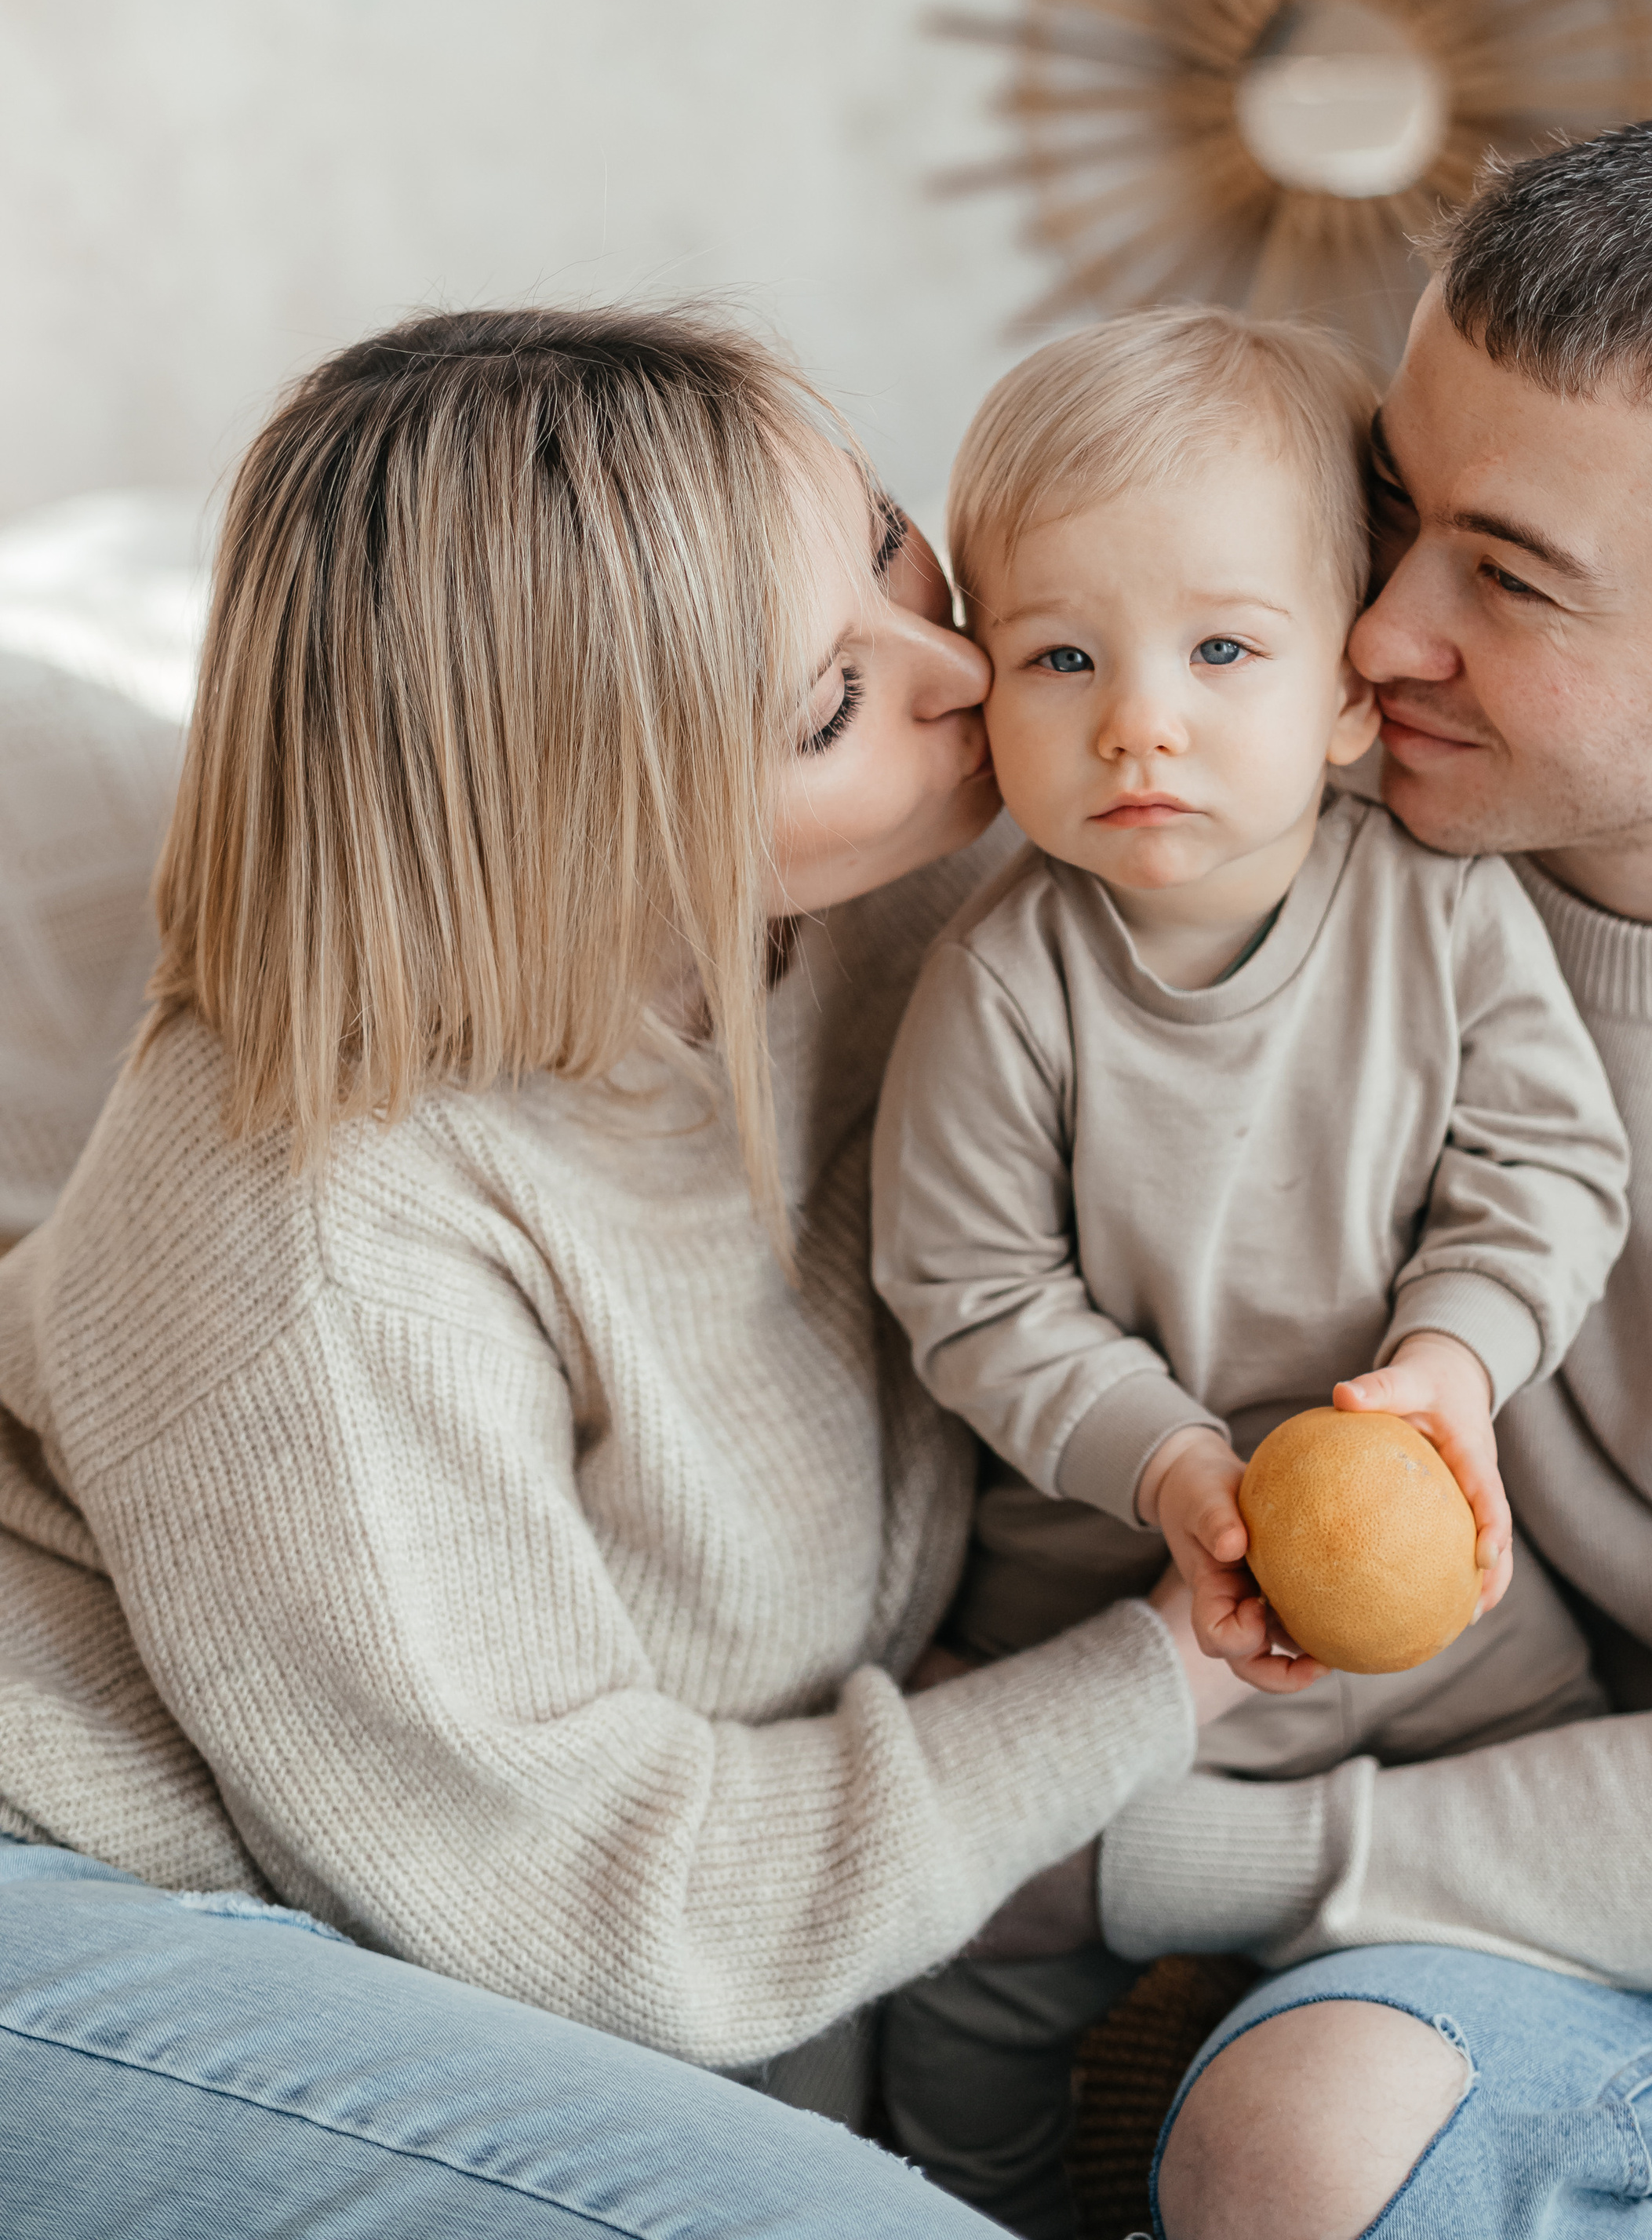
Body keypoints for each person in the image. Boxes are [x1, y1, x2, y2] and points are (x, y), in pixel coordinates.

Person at [0, 305, 1244, 2240]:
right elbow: (598, 1899)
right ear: (592, 824)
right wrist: (1160, 1673)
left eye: (892, 541)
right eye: (825, 704)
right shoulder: (316, 1233)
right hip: (59, 1873)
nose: (960, 667)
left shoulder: (902, 894)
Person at [1110, 108, 1652, 2238]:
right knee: (1294, 2142)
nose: (1386, 630)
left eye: (1504, 575)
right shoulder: (1267, 835)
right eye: (1392, 508)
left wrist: (1140, 1859)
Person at [870, 306, 1630, 2235]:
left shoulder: (1441, 908)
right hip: (1111, 1620)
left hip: (1457, 1607)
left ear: (1353, 693)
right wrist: (1165, 1467)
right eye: (1061, 656)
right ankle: (975, 2200)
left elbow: (1544, 1167)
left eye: (1221, 650)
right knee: (966, 1972)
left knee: (1555, 1866)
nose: (1139, 718)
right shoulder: (1003, 978)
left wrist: (1451, 1366)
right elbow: (969, 1291)